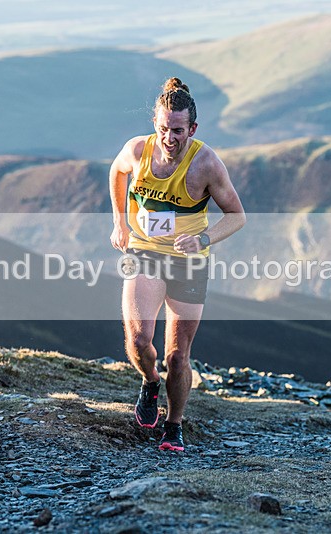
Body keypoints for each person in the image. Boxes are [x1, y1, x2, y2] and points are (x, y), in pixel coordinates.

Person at [109, 77, 245, 451]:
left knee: (177, 354)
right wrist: (120, 221)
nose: (170, 138)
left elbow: (237, 215)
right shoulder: (138, 150)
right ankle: (150, 382)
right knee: (139, 341)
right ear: (156, 124)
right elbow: (117, 172)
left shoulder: (206, 164)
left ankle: (174, 425)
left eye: (179, 131)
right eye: (164, 129)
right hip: (144, 251)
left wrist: (203, 238)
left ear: (193, 129)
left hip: (188, 262)